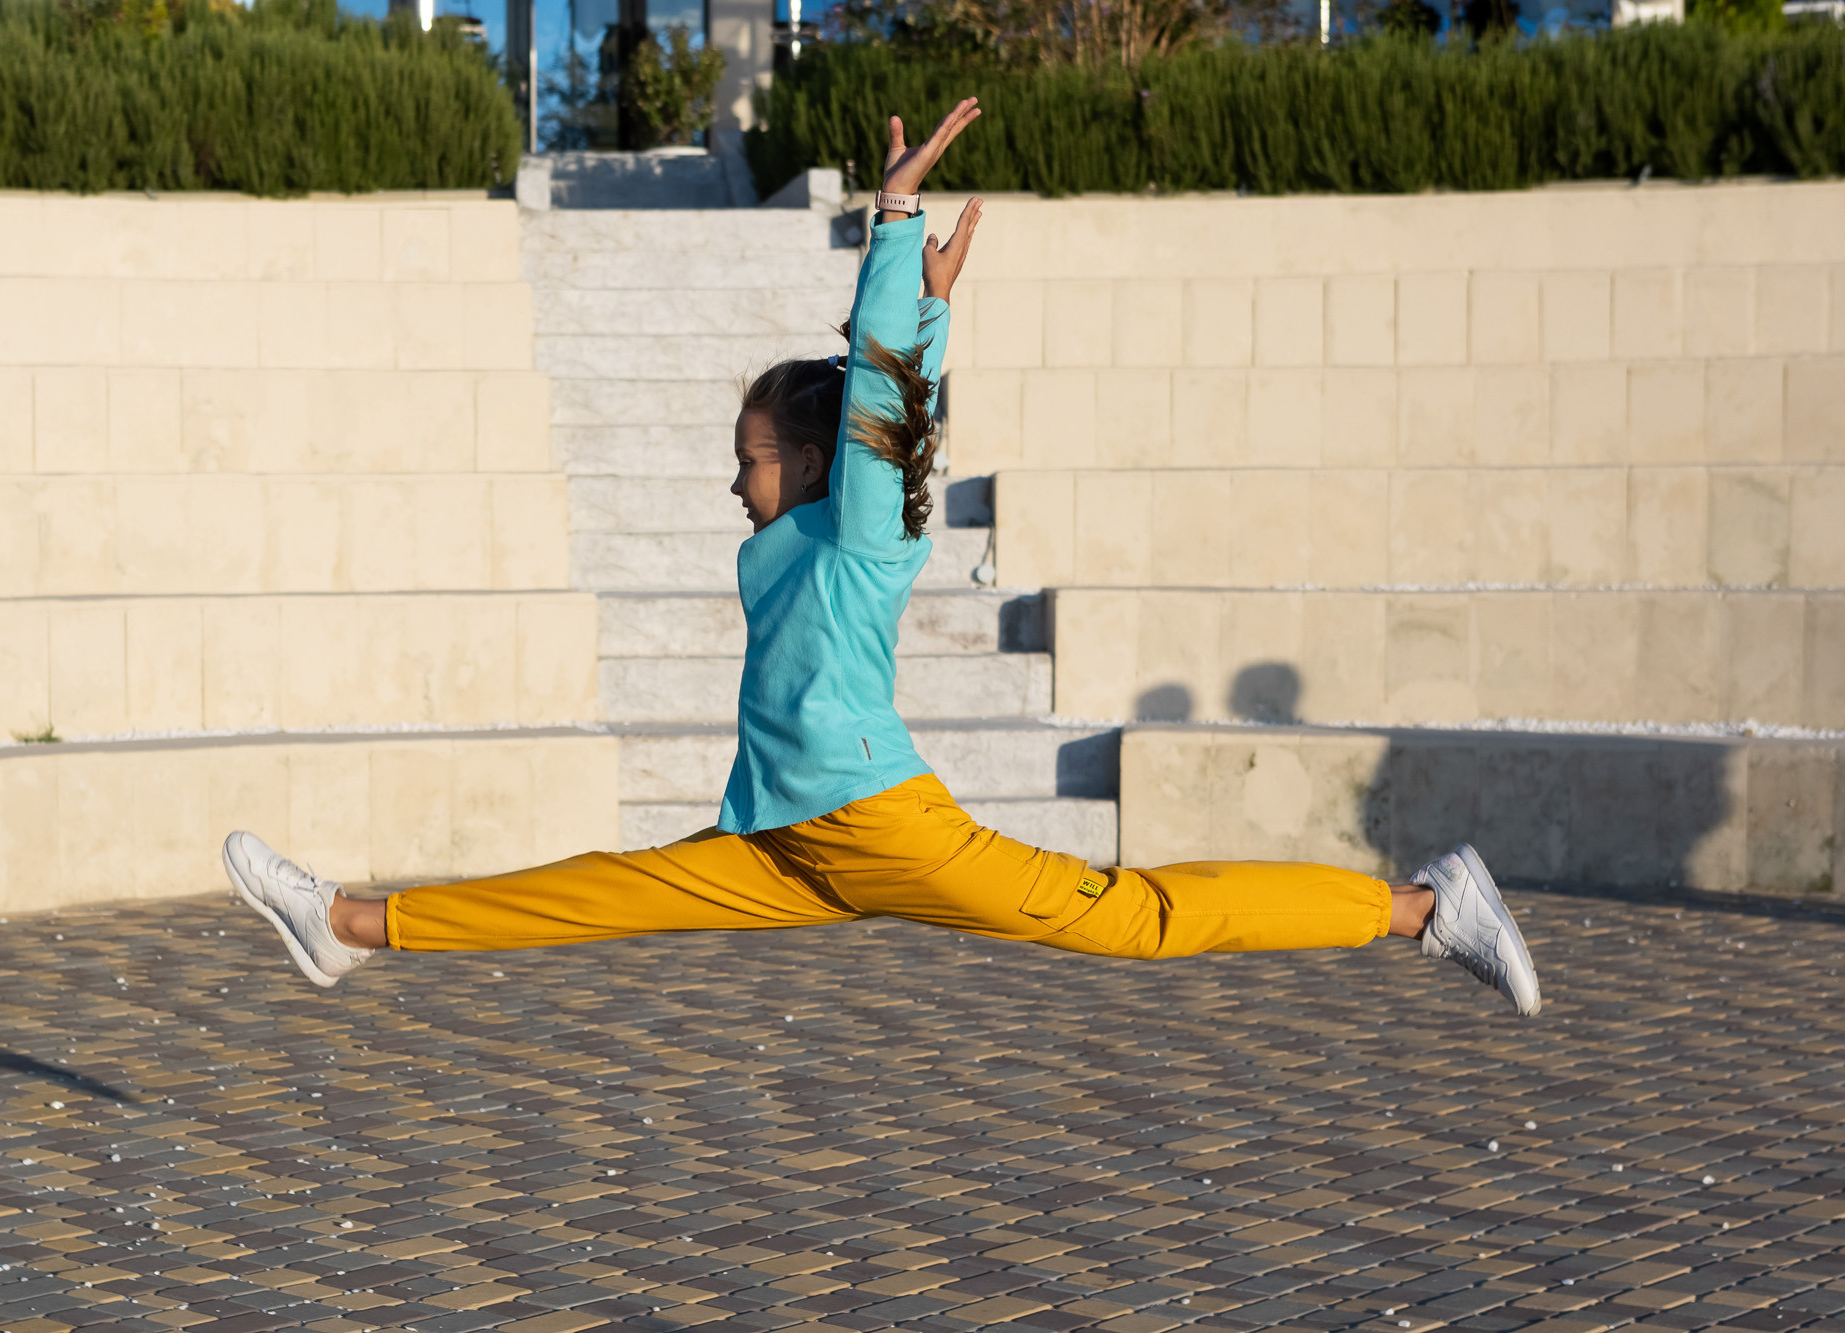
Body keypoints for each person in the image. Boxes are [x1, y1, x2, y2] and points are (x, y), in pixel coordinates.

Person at [223, 98, 1542, 1019]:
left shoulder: (860, 535)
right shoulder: (792, 543)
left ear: (803, 462)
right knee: (601, 895)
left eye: (749, 453)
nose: (730, 474)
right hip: (782, 835)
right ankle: (349, 925)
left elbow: (884, 419)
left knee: (1134, 915)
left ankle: (1420, 909)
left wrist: (896, 234)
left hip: (873, 821)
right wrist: (918, 313)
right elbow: (882, 408)